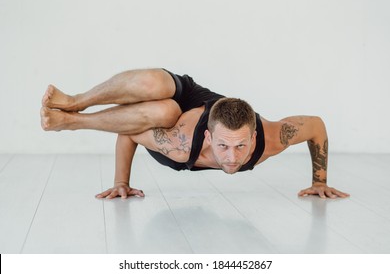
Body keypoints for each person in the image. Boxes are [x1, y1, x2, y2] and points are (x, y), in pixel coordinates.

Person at [40, 68, 349, 200]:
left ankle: (70, 120)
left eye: (241, 146)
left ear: (254, 139)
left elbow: (316, 126)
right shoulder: (179, 144)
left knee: (163, 111)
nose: (232, 158)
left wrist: (319, 181)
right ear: (211, 139)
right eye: (225, 147)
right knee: (159, 100)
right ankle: (73, 108)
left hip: (189, 115)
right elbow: (130, 131)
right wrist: (122, 182)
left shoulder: (271, 138)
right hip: (186, 102)